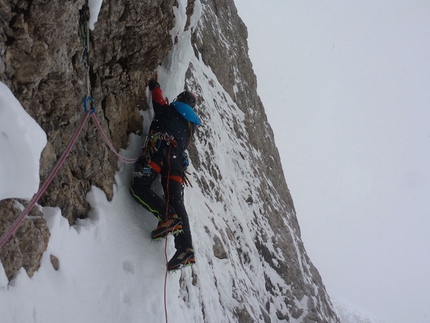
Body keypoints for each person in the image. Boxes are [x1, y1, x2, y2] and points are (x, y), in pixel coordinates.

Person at [130, 78, 201, 271]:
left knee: (139, 187)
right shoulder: (190, 126)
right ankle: (185, 248)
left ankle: (167, 216)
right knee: (176, 198)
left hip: (160, 151)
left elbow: (158, 100)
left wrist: (155, 86)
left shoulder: (169, 109)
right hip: (177, 162)